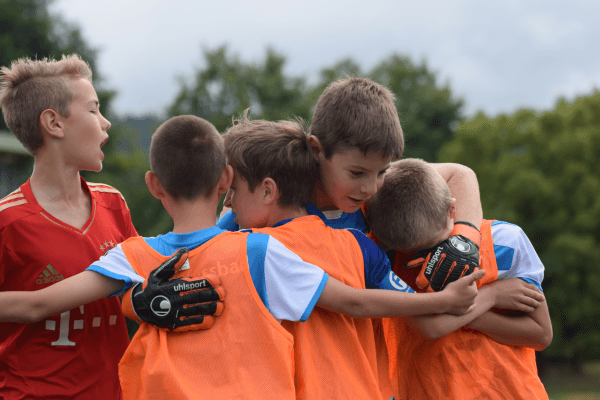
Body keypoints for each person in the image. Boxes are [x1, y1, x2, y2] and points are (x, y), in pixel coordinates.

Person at [0, 116, 483, 400]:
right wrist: (136, 299)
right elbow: (354, 302)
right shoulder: (258, 246)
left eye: (375, 175)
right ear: (226, 181)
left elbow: (36, 304)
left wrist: (135, 292)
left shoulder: (141, 252)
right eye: (359, 173)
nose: (369, 186)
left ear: (154, 186)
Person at [216, 77, 483, 399]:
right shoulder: (264, 212)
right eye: (356, 174)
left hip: (366, 379)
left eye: (382, 172)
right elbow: (208, 252)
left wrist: (465, 239)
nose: (371, 187)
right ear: (317, 150)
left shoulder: (368, 184)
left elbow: (461, 174)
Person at [0, 54, 137, 399]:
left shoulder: (113, 203)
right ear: (54, 123)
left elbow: (139, 287)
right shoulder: (7, 221)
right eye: (93, 110)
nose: (105, 123)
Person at [364, 158, 552, 400]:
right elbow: (428, 327)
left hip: (510, 391)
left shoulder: (507, 242)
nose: (435, 258)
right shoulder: (389, 262)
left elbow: (541, 334)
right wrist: (490, 296)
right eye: (418, 254)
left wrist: (456, 313)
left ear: (453, 209)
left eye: (440, 244)